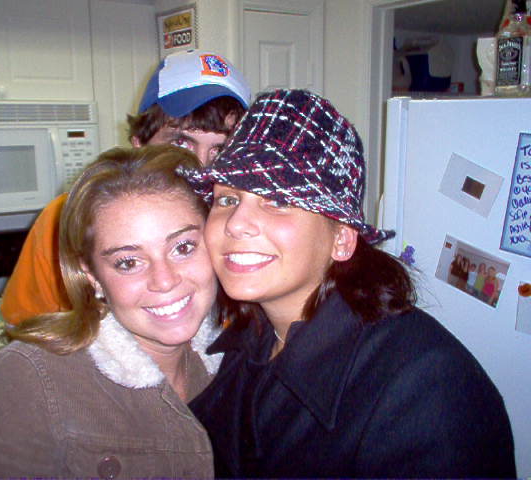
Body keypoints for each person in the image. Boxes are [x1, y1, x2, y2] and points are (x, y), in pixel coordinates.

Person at [180, 89, 516, 478]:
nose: (237, 223)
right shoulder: (243, 340)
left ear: (341, 239)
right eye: (227, 200)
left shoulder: (430, 386)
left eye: (277, 201)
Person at [0, 145, 223, 478]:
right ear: (92, 276)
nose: (164, 280)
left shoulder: (233, 365)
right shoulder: (22, 382)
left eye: (183, 247)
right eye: (128, 262)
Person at [1, 49, 250, 325]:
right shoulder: (65, 219)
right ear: (139, 145)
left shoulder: (248, 227)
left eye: (221, 150)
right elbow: (26, 328)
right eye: (180, 144)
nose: (200, 168)